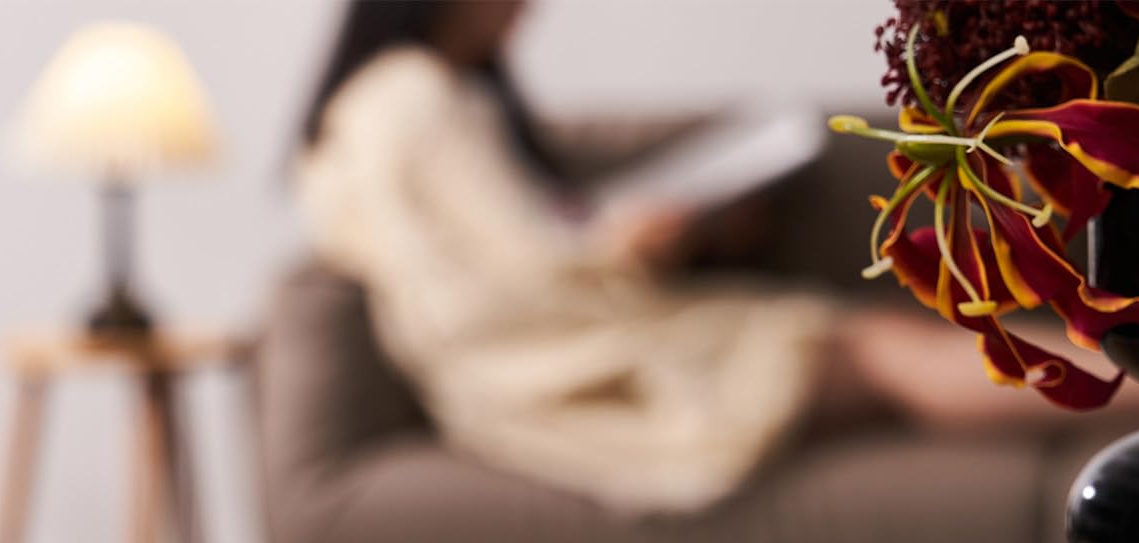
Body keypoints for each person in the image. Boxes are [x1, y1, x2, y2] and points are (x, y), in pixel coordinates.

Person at [294, 0, 1066, 516]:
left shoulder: (433, 95)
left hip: (576, 327)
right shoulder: (413, 97)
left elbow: (512, 238)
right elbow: (509, 275)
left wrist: (652, 237)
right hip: (552, 358)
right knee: (889, 351)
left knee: (888, 342)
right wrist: (621, 248)